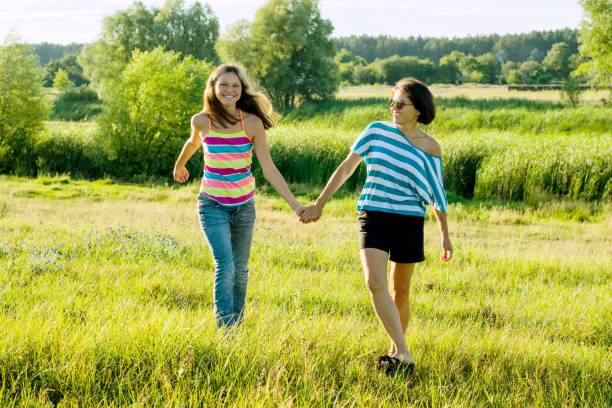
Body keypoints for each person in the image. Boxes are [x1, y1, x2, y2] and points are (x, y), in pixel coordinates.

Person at [300, 77, 453, 373]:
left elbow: (437, 194)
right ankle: (406, 353)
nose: (394, 108)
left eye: (401, 104)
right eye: (392, 102)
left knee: (401, 291)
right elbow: (346, 167)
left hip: (409, 220)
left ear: (418, 109)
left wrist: (445, 236)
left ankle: (396, 352)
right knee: (374, 283)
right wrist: (320, 203)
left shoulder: (431, 148)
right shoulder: (376, 131)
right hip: (374, 216)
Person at [173, 63, 304, 328]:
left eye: (235, 85)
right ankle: (226, 332)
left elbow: (268, 168)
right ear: (213, 87)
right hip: (211, 204)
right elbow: (193, 142)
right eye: (224, 85)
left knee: (241, 270)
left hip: (244, 206)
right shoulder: (201, 120)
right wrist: (180, 164)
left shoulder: (252, 122)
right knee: (225, 264)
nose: (229, 90)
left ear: (242, 89)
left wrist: (296, 206)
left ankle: (237, 324)